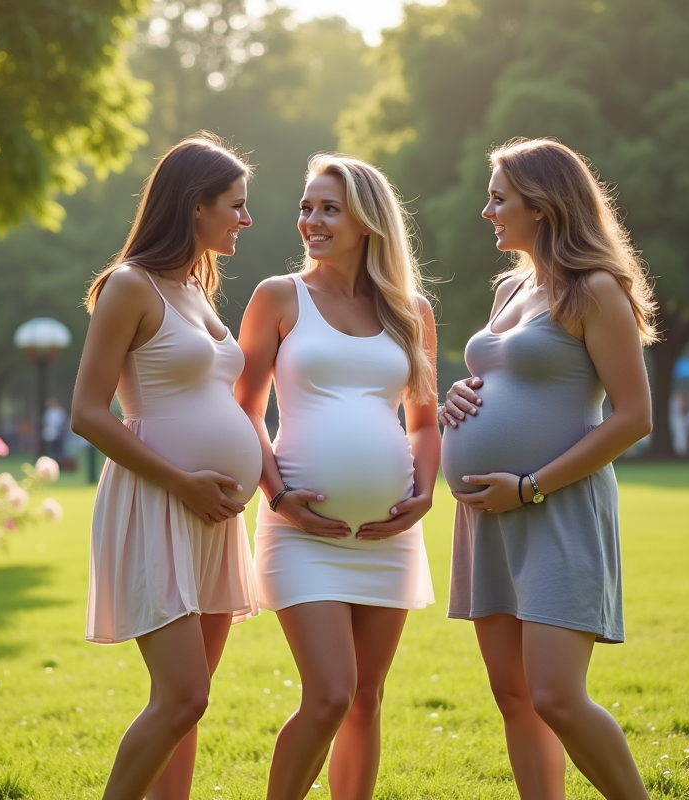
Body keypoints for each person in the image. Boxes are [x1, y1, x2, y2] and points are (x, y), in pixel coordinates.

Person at [439, 137, 657, 800]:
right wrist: (458, 394)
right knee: (514, 696)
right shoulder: (510, 286)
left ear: (542, 204)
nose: (487, 212)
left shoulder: (594, 290)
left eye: (498, 198)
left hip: (553, 507)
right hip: (487, 517)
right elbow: (508, 375)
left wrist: (529, 486)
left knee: (557, 697)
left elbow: (633, 416)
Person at [235, 154, 439, 800]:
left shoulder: (412, 311)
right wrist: (280, 497)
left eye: (328, 208)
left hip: (388, 537)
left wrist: (426, 493)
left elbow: (425, 422)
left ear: (367, 220)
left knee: (367, 700)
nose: (310, 221)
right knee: (329, 695)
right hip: (301, 534)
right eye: (306, 206)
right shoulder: (278, 297)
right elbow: (244, 412)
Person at [69, 132, 261, 800]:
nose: (246, 219)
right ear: (194, 206)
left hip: (212, 514)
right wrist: (181, 480)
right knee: (180, 697)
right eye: (235, 205)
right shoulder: (131, 286)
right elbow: (88, 413)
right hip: (159, 501)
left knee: (192, 702)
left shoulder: (196, 287)